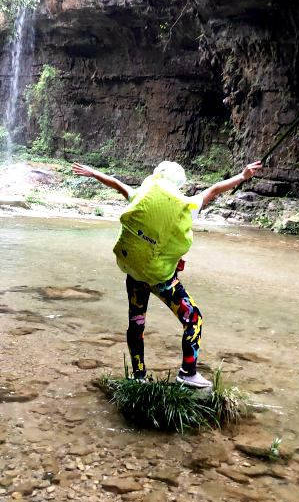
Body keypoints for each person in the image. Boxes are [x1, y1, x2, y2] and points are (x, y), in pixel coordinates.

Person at [72, 158, 263, 388]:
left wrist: (92, 172)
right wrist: (243, 176)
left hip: (135, 274)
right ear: (178, 183)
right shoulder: (187, 206)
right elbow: (213, 190)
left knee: (137, 323)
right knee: (193, 318)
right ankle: (188, 372)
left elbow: (115, 183)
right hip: (162, 279)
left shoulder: (141, 198)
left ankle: (139, 377)